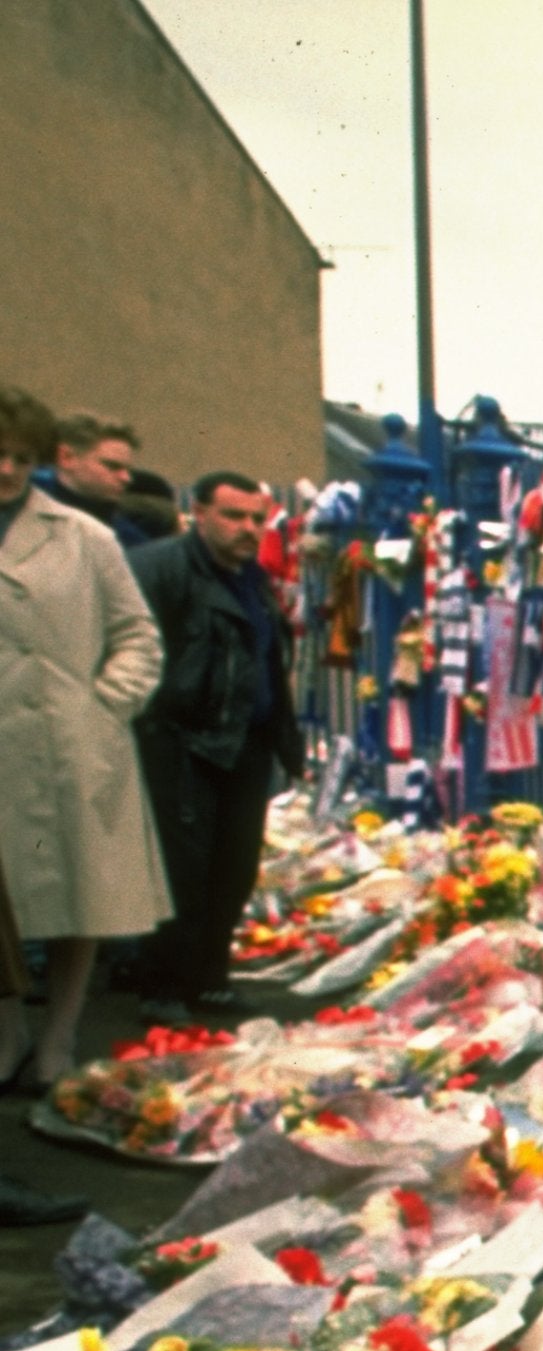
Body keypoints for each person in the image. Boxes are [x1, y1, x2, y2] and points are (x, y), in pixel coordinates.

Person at [0, 383, 171, 1110]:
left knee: (81, 898)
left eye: (20, 457)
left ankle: (61, 1038)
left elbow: (138, 635)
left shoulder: (84, 536)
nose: (7, 469)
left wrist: (105, 705)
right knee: (4, 907)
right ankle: (9, 1032)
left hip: (71, 744)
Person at [126, 471, 301, 1016]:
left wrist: (285, 740)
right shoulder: (160, 568)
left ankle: (208, 977)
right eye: (233, 516)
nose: (248, 529)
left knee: (235, 866)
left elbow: (268, 660)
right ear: (198, 513)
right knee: (184, 868)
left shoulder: (252, 577)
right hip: (183, 739)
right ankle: (164, 984)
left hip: (245, 743)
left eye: (257, 518)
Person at [40, 414, 141, 544]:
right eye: (112, 466)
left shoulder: (129, 539)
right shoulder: (18, 511)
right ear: (67, 457)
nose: (127, 478)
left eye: (128, 470)